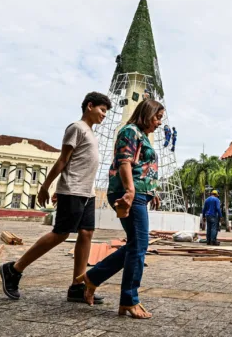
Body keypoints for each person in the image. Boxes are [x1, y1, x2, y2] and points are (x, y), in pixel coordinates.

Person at [0, 92, 111, 303]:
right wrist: (46, 186)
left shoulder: (90, 133)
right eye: (102, 110)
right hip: (73, 189)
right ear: (90, 106)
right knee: (60, 233)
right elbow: (63, 160)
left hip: (87, 192)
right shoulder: (76, 128)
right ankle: (14, 269)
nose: (104, 115)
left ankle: (77, 286)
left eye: (106, 112)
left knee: (87, 233)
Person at [76, 99, 164, 320]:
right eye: (158, 117)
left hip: (138, 193)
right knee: (139, 245)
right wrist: (131, 190)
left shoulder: (142, 135)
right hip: (129, 193)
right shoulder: (130, 131)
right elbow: (124, 161)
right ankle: (128, 300)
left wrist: (152, 190)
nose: (159, 123)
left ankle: (93, 278)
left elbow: (142, 167)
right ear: (147, 113)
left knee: (136, 244)